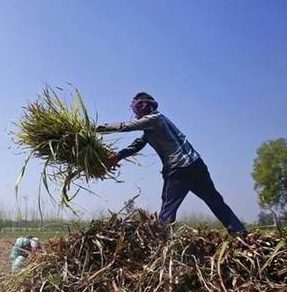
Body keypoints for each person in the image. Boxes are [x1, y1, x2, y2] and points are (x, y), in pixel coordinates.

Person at [97, 92, 246, 235]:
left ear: (143, 108)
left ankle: (162, 246)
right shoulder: (155, 124)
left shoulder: (153, 119)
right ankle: (239, 232)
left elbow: (126, 126)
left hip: (179, 169)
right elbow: (137, 144)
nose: (135, 113)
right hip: (196, 165)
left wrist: (95, 128)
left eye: (136, 109)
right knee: (214, 200)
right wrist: (117, 157)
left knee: (167, 209)